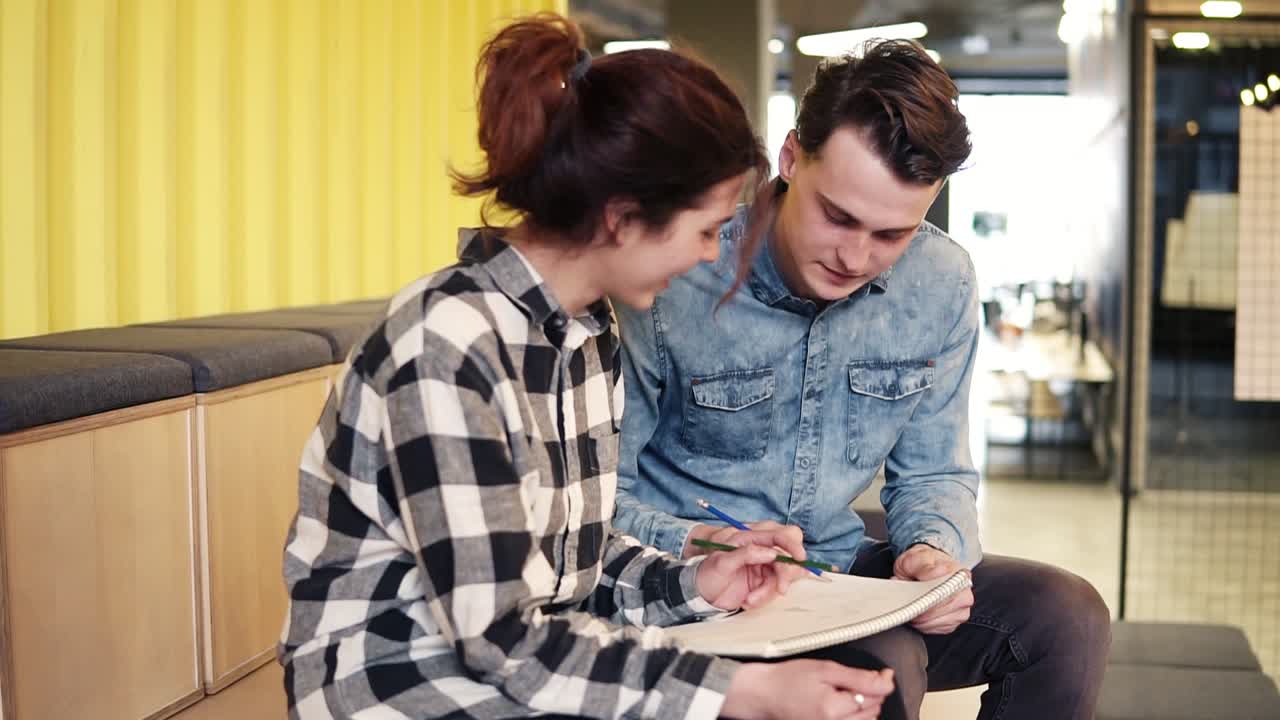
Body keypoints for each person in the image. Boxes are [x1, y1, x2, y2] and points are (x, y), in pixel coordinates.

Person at [279, 14, 902, 720]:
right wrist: (741, 690)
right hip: (398, 693)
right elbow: (500, 639)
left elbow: (572, 563)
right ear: (623, 218)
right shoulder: (445, 348)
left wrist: (700, 581)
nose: (709, 256)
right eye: (704, 229)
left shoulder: (585, 330)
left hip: (510, 675)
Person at [612, 39, 1112, 720]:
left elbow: (936, 471)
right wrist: (706, 550)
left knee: (1066, 616)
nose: (855, 256)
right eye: (838, 216)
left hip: (836, 576)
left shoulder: (940, 281)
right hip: (694, 586)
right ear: (791, 158)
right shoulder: (676, 274)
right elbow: (601, 498)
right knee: (885, 662)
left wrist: (934, 554)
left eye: (891, 234)